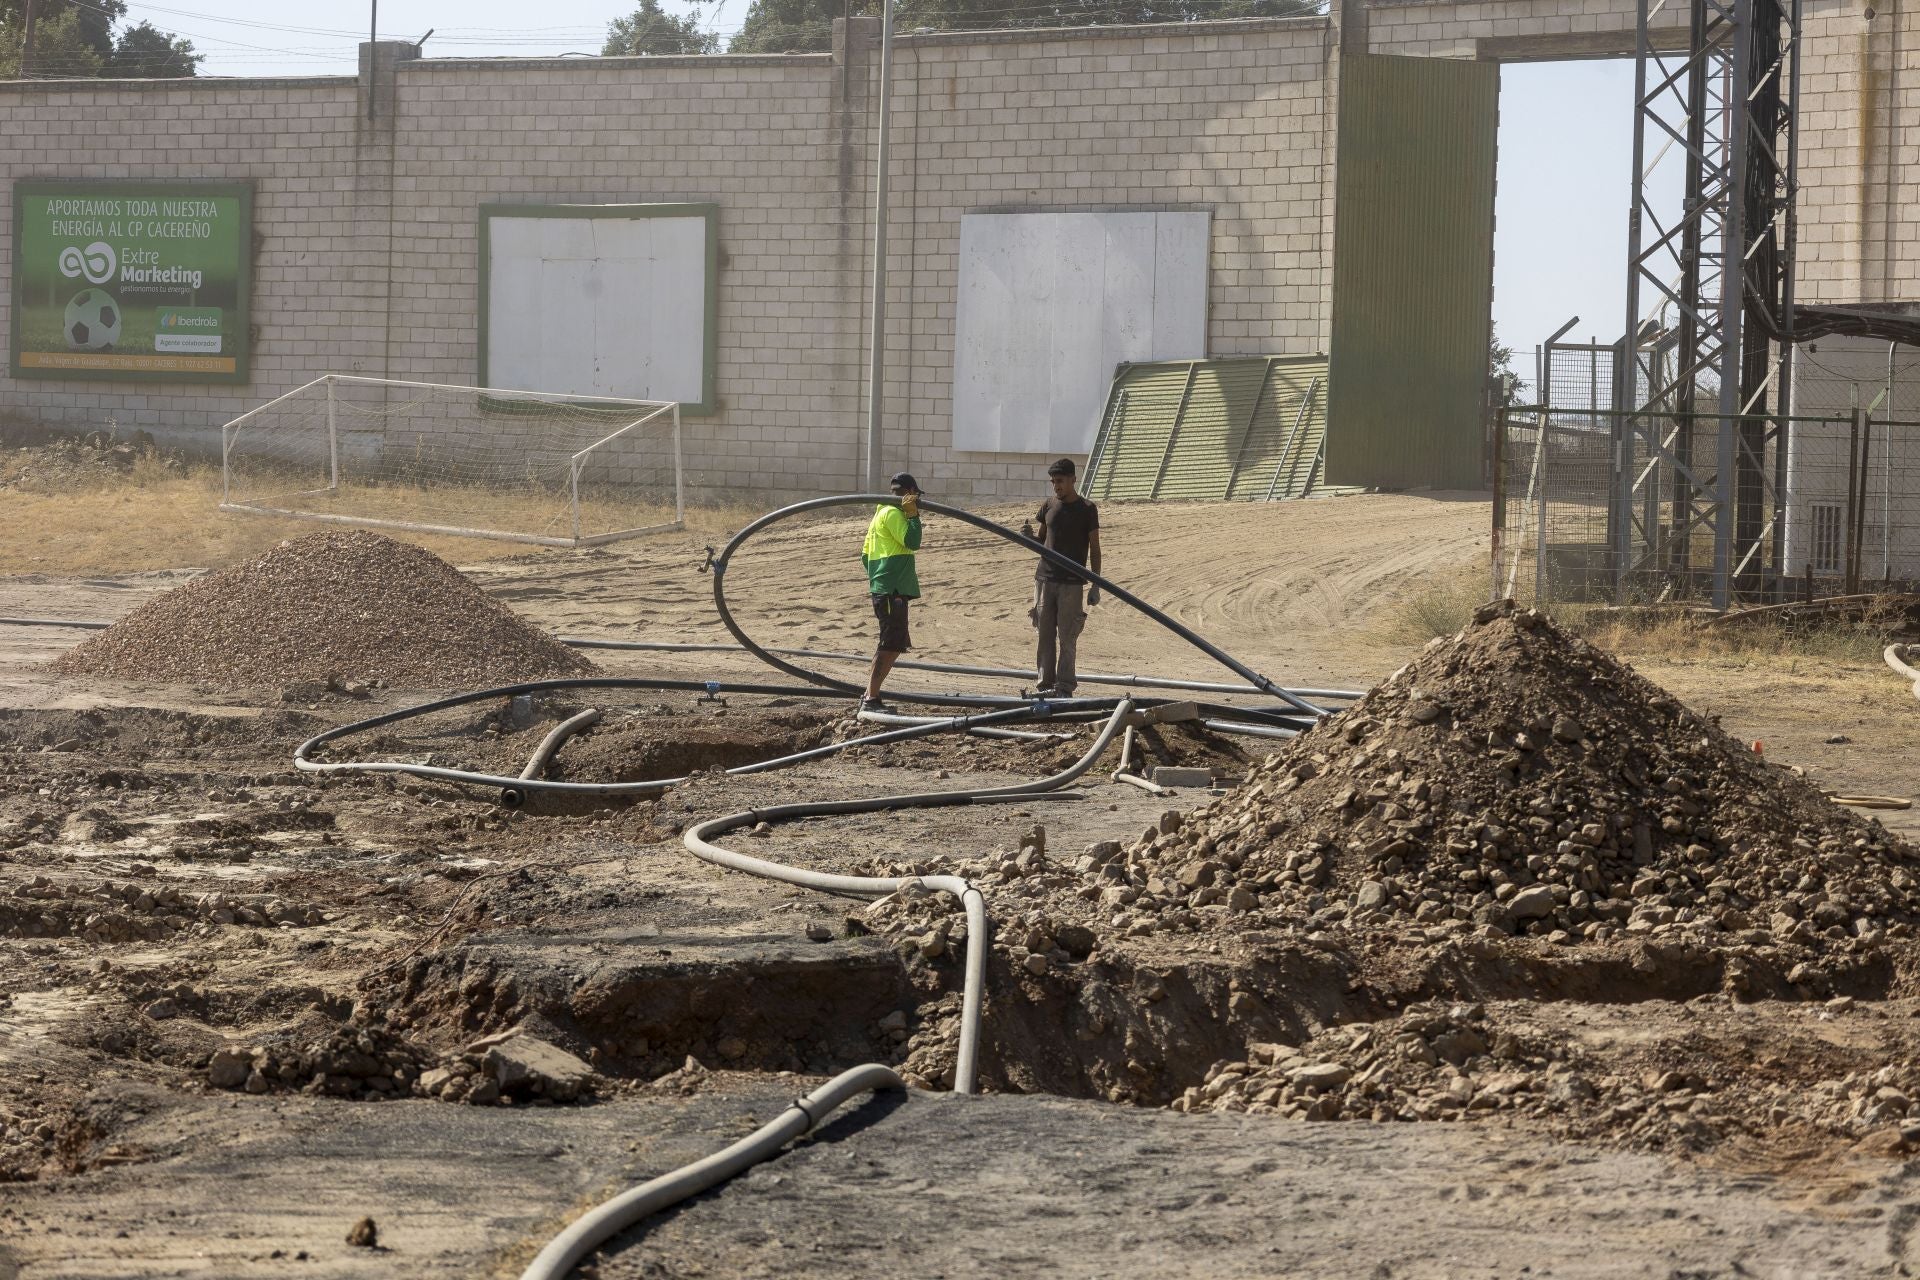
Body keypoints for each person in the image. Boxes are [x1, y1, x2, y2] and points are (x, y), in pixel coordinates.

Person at [1022, 457, 1100, 698]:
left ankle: (1065, 687)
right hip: (1045, 580)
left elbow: (1095, 549)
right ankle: (1045, 687)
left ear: (1073, 480)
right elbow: (1042, 543)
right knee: (1045, 635)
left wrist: (1096, 585)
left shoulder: (1087, 509)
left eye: (1061, 481)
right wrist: (1028, 537)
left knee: (1068, 637)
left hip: (1072, 584)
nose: (1056, 486)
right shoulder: (1048, 506)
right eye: (1053, 482)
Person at [859, 472, 923, 711]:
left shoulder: (879, 514)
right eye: (915, 496)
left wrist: (879, 576)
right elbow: (913, 541)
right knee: (889, 644)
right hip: (891, 589)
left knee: (892, 643)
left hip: (886, 587)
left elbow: (865, 555)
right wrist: (913, 516)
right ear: (908, 493)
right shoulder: (894, 513)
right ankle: (871, 699)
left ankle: (870, 695)